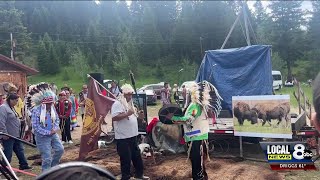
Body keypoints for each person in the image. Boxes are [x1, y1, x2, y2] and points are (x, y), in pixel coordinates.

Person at [166, 81, 222, 180]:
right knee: (197, 162)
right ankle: (200, 177)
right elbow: (188, 120)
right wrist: (177, 121)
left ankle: (199, 178)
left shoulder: (195, 105)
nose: (183, 93)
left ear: (190, 93)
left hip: (197, 138)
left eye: (185, 91)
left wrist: (173, 117)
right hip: (195, 138)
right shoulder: (193, 105)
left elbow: (188, 119)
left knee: (197, 162)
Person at [111, 84, 149, 180]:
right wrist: (127, 114)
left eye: (131, 94)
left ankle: (139, 174)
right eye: (128, 94)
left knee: (136, 156)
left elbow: (134, 118)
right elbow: (115, 118)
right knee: (126, 158)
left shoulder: (131, 103)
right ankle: (126, 177)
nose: (130, 96)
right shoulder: (117, 103)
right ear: (123, 94)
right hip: (123, 137)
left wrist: (140, 117)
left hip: (133, 135)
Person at [30, 85, 64, 172]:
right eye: (48, 104)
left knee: (60, 149)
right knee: (47, 157)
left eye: (51, 103)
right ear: (43, 103)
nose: (50, 105)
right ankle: (46, 174)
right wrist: (47, 132)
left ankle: (53, 168)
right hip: (42, 137)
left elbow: (56, 119)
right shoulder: (36, 110)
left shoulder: (52, 108)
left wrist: (55, 128)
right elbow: (36, 126)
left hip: (53, 134)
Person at [0, 93, 32, 170]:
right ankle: (4, 168)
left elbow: (13, 118)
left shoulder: (11, 107)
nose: (17, 102)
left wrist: (21, 121)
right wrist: (4, 133)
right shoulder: (3, 108)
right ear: (10, 100)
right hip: (8, 135)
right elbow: (1, 121)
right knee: (8, 153)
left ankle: (23, 164)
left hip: (15, 134)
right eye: (16, 101)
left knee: (20, 150)